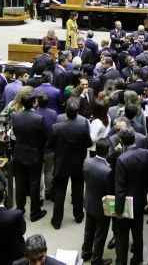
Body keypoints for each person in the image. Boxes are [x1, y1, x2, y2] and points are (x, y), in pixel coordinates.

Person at [114, 128, 148, 265]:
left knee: (122, 236)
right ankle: (137, 259)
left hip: (125, 204)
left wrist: (118, 211)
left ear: (122, 142)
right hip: (140, 201)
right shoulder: (146, 154)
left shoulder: (121, 159)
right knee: (138, 233)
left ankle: (121, 261)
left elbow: (120, 189)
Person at [49, 98, 92, 228]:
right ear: (77, 112)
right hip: (78, 163)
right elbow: (89, 144)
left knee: (60, 193)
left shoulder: (56, 127)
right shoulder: (83, 125)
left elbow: (50, 145)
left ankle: (57, 221)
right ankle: (78, 216)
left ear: (65, 112)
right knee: (78, 191)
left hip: (61, 163)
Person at [12, 88, 48, 222]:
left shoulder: (15, 116)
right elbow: (46, 137)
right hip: (35, 154)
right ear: (34, 103)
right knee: (34, 184)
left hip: (19, 153)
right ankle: (34, 212)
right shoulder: (39, 118)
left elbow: (15, 133)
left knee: (20, 182)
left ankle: (20, 209)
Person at [82, 139, 113, 265]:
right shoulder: (108, 171)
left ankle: (86, 252)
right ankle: (96, 260)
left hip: (89, 202)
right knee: (100, 234)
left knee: (89, 230)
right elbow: (110, 192)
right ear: (108, 151)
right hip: (102, 207)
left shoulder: (87, 162)